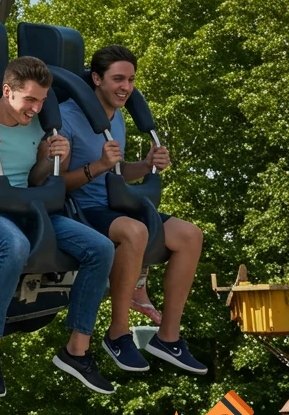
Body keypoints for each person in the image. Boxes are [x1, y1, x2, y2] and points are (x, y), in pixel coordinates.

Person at [0, 56, 116, 396]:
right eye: (30, 100)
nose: (35, 108)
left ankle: (77, 349)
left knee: (101, 248)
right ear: (7, 91)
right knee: (15, 246)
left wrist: (49, 158)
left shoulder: (37, 127)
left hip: (32, 211)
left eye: (42, 101)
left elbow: (35, 179)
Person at [59, 44, 206, 374]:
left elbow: (117, 171)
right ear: (96, 79)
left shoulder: (118, 118)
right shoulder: (68, 117)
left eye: (131, 80)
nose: (126, 87)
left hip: (114, 204)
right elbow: (60, 185)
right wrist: (98, 164)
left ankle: (168, 338)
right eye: (118, 79)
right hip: (81, 208)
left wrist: (145, 165)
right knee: (134, 230)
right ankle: (118, 333)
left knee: (190, 235)